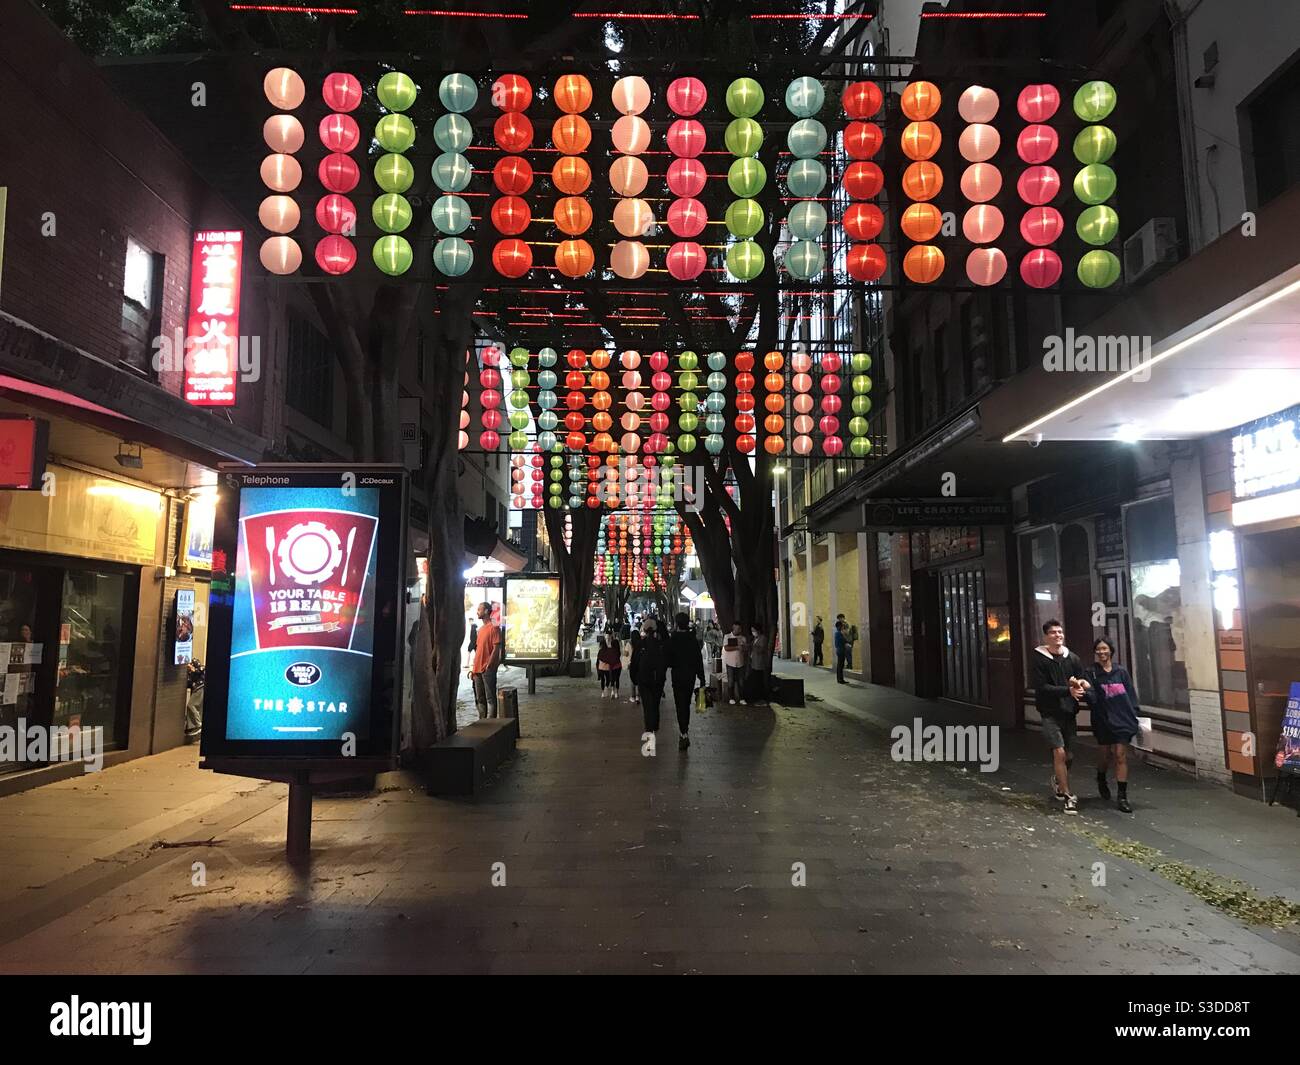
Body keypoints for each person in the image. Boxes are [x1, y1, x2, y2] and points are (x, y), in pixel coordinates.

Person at [1030, 618, 1088, 813]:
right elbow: (1042, 687)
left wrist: (1082, 685)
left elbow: (1082, 676)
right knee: (1059, 752)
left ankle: (1057, 779)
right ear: (1046, 636)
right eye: (1053, 633)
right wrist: (1067, 691)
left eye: (1060, 632)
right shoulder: (1039, 658)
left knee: (1069, 755)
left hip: (1069, 711)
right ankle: (1067, 795)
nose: (1058, 636)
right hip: (1049, 712)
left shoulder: (1072, 658)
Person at [1085, 637, 1140, 813]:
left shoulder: (1121, 672)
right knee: (1104, 754)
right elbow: (1090, 697)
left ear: (1111, 651)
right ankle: (1101, 777)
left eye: (1104, 649)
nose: (1102, 652)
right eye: (1098, 650)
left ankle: (1122, 796)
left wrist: (1135, 713)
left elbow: (1130, 693)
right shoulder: (1091, 672)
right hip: (1102, 719)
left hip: (1122, 718)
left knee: (1120, 755)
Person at [667, 612, 705, 749]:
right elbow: (698, 660)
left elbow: (668, 659)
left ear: (677, 624)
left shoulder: (673, 639)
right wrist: (702, 678)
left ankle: (683, 732)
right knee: (686, 703)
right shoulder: (692, 640)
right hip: (690, 676)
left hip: (677, 676)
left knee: (679, 704)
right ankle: (685, 730)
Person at [468, 601, 502, 719]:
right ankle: (482, 722)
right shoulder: (481, 629)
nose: (477, 611)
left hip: (487, 669)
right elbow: (478, 650)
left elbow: (496, 647)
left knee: (490, 698)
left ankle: (491, 725)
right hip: (477, 670)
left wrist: (489, 664)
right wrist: (473, 669)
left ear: (486, 611)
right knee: (480, 698)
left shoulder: (494, 627)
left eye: (479, 609)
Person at [635, 619, 668, 737]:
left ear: (644, 629)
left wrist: (635, 678)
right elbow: (665, 662)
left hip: (643, 678)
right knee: (655, 702)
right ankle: (655, 724)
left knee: (647, 704)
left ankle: (649, 727)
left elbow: (634, 662)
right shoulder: (660, 644)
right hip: (658, 678)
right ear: (655, 630)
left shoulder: (640, 644)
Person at [721, 622, 748, 705]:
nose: (738, 630)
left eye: (739, 628)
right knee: (731, 681)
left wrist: (744, 647)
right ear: (733, 628)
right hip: (730, 662)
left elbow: (746, 650)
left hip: (741, 662)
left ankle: (742, 698)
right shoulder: (727, 636)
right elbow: (726, 648)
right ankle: (731, 698)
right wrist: (736, 647)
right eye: (736, 628)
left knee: (741, 681)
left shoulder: (743, 638)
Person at [597, 633, 623, 699]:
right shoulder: (617, 651)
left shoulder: (603, 651)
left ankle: (607, 692)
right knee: (616, 679)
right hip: (617, 666)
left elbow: (600, 659)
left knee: (609, 679)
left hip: (607, 667)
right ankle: (615, 693)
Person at [748, 625, 769, 703]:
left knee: (759, 680)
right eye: (752, 630)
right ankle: (756, 696)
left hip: (760, 663)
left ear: (758, 630)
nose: (753, 632)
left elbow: (761, 650)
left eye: (754, 630)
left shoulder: (763, 638)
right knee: (755, 680)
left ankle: (760, 697)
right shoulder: (755, 639)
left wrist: (754, 646)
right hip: (754, 662)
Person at [627, 626, 642, 704]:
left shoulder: (629, 643)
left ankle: (632, 696)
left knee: (632, 680)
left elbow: (625, 654)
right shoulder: (641, 643)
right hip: (640, 663)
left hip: (631, 663)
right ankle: (638, 696)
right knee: (639, 679)